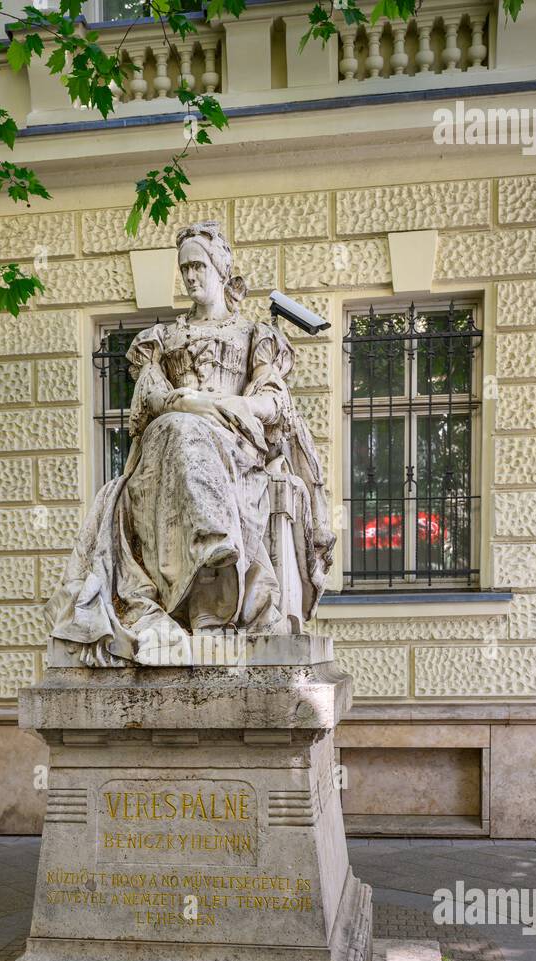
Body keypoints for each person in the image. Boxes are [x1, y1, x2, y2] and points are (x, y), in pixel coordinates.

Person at [47, 220, 335, 666]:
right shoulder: (162, 339)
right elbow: (149, 400)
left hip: (235, 446)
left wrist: (218, 403)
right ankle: (211, 551)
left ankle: (214, 576)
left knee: (183, 430)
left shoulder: (253, 335)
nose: (192, 276)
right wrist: (188, 404)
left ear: (222, 269)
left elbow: (273, 402)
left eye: (199, 265)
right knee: (175, 430)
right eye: (185, 269)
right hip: (171, 440)